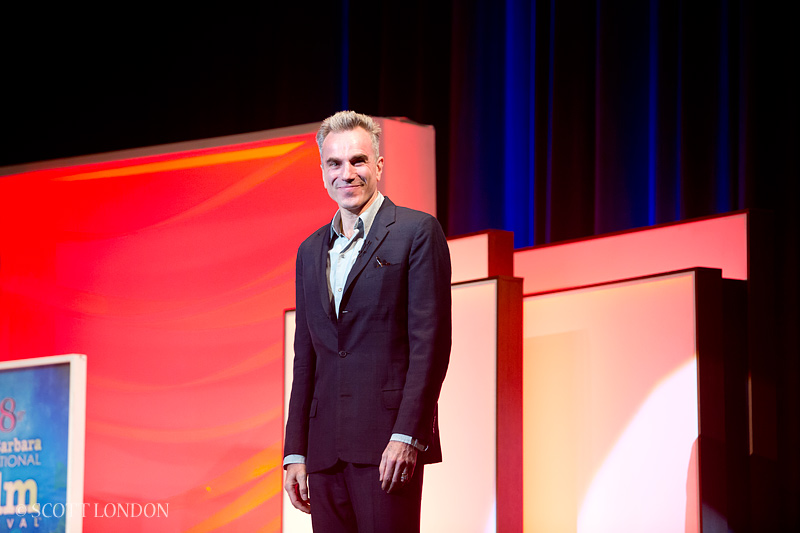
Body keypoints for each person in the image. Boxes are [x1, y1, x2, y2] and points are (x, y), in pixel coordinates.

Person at [283, 110, 452, 532]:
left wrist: (409, 435)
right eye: (334, 164)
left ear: (378, 165)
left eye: (358, 161)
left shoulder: (416, 231)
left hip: (387, 445)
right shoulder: (309, 251)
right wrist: (296, 452)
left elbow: (430, 345)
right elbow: (306, 358)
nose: (347, 173)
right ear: (322, 171)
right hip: (323, 455)